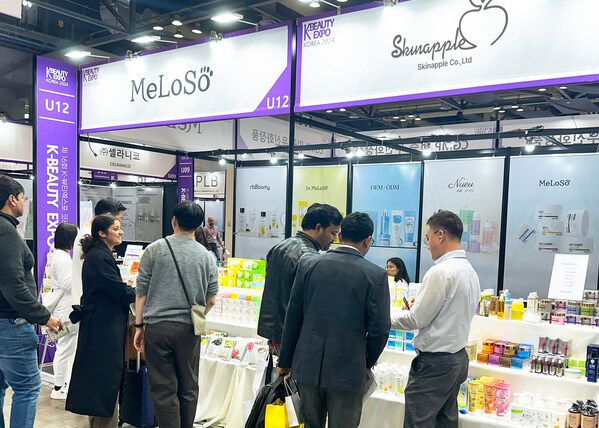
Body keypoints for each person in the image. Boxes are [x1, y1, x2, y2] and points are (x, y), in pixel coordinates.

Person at [278, 212, 391, 428]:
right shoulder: (375, 275)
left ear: (339, 236)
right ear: (368, 240)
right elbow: (380, 329)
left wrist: (285, 361)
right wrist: (364, 362)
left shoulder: (308, 264)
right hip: (348, 371)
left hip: (306, 367)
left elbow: (293, 316)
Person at [391, 210, 480, 428]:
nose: (428, 245)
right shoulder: (469, 270)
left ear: (440, 236)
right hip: (457, 359)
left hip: (435, 364)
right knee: (445, 422)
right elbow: (449, 310)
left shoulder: (440, 271)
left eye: (428, 238)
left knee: (418, 422)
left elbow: (415, 320)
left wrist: (382, 317)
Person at [134, 201, 218, 428]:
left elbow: (141, 293)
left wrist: (139, 326)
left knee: (163, 387)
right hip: (189, 329)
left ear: (174, 221)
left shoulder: (154, 250)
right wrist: (197, 315)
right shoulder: (207, 256)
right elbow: (211, 299)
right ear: (199, 225)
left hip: (158, 328)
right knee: (189, 386)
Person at [0, 175, 62, 428]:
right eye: (23, 198)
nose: (24, 203)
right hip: (11, 325)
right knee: (27, 387)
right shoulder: (6, 232)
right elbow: (13, 285)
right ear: (12, 199)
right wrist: (44, 316)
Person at [66, 215, 136, 428]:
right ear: (102, 233)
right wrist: (137, 291)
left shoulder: (99, 254)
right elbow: (116, 290)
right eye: (116, 228)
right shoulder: (99, 257)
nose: (121, 232)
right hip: (103, 329)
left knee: (99, 382)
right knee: (105, 381)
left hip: (101, 326)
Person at [257, 203, 343, 354]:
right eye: (333, 233)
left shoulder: (280, 246)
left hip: (276, 331)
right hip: (294, 336)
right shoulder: (309, 257)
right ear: (318, 228)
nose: (335, 239)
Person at [72, 198, 126, 308]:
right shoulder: (92, 239)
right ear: (108, 216)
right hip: (90, 301)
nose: (121, 232)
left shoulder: (87, 231)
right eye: (117, 225)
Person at [46, 222, 79, 400]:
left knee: (66, 348)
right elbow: (67, 283)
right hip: (66, 310)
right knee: (65, 348)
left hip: (64, 309)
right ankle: (59, 387)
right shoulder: (62, 258)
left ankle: (63, 385)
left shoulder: (59, 256)